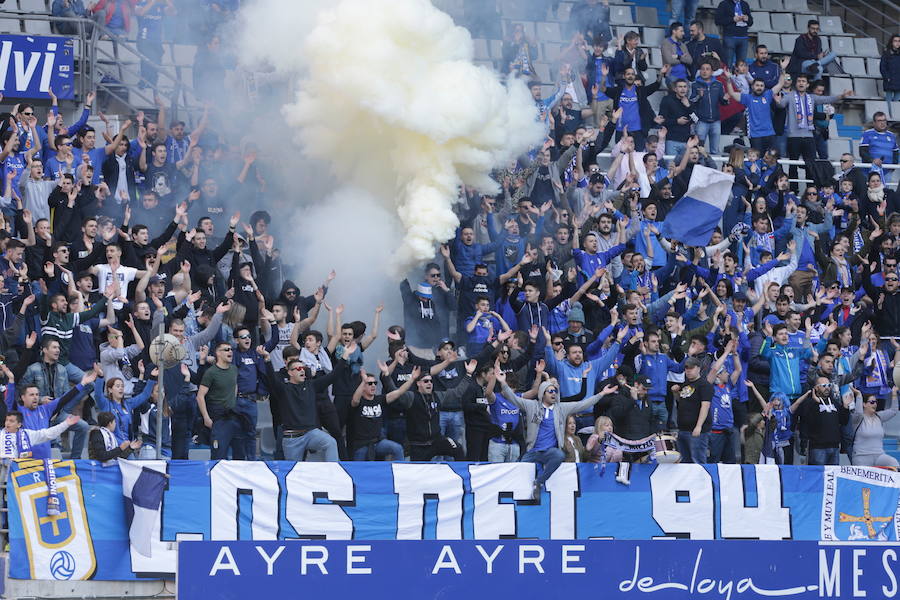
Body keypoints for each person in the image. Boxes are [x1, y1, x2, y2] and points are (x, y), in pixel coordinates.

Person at [497, 368, 617, 499]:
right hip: (533, 451)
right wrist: (503, 383)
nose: (554, 394)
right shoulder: (531, 406)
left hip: (550, 452)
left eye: (555, 391)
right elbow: (514, 399)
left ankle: (539, 483)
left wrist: (601, 394)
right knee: (518, 468)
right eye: (550, 391)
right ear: (543, 393)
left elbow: (583, 404)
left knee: (559, 455)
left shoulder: (561, 408)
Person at [674, 356, 712, 463]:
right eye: (686, 368)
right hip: (683, 429)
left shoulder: (704, 385)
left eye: (691, 368)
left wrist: (699, 426)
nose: (688, 371)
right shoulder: (685, 384)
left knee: (698, 461)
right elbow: (681, 401)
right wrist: (675, 393)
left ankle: (702, 480)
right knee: (685, 462)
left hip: (697, 431)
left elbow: (705, 406)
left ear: (698, 368)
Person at [859, 112, 899, 184]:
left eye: (884, 120)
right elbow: (862, 151)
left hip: (887, 172)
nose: (882, 123)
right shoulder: (867, 134)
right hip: (870, 171)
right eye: (879, 121)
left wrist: (893, 166)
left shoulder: (892, 135)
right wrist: (872, 160)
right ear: (874, 123)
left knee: (885, 193)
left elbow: (895, 152)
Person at [715, 0, 752, 68]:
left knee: (741, 66)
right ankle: (728, 78)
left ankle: (739, 78)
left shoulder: (745, 4)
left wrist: (747, 19)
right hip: (730, 37)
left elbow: (751, 22)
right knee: (728, 64)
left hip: (743, 38)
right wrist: (732, 19)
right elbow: (717, 20)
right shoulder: (724, 4)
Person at [881, 35, 900, 111]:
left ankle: (894, 118)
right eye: (895, 41)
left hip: (899, 81)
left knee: (896, 103)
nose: (897, 43)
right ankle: (888, 117)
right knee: (888, 102)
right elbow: (882, 67)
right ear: (891, 42)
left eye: (899, 41)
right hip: (889, 80)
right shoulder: (886, 53)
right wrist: (887, 77)